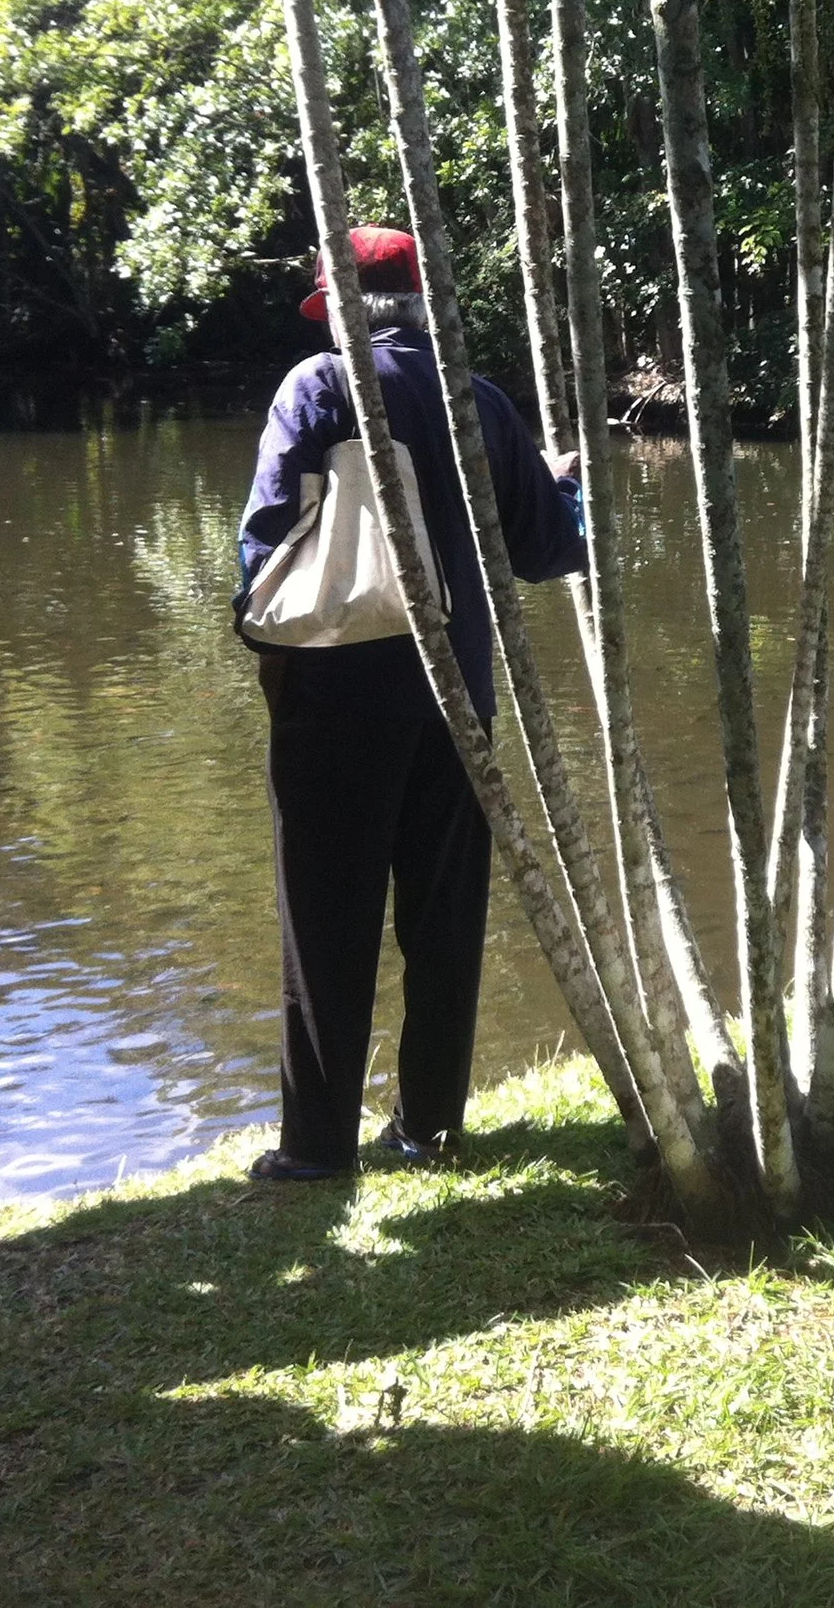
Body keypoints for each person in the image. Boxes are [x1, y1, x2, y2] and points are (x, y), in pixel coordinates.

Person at [233, 226, 587, 1179]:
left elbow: (265, 545)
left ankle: (317, 1151)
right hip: (455, 700)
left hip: (333, 700)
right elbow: (549, 551)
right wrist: (561, 486)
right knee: (443, 921)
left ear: (342, 308)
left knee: (326, 922)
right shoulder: (480, 401)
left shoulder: (318, 387)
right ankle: (428, 1126)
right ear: (425, 306)